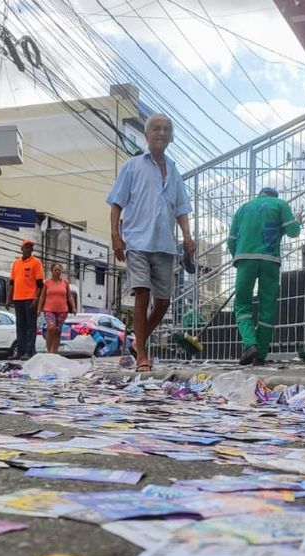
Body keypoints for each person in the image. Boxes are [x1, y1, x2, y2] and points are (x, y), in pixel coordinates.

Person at [107, 113, 196, 372]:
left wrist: (188, 237)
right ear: (146, 135)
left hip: (165, 244)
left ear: (172, 136)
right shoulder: (133, 166)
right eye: (156, 128)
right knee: (142, 294)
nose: (161, 132)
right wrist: (116, 235)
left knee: (164, 302)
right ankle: (142, 354)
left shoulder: (175, 171)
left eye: (167, 129)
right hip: (136, 241)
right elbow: (116, 204)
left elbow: (181, 209)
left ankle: (138, 341)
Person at [227, 187, 300, 366]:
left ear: (259, 194)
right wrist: (297, 221)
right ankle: (260, 354)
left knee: (242, 304)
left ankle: (250, 343)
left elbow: (231, 240)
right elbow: (293, 231)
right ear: (275, 196)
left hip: (245, 259)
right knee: (267, 307)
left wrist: (237, 256)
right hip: (270, 260)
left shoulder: (242, 209)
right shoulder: (280, 204)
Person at [8, 239, 43, 360]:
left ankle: (29, 351)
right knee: (20, 326)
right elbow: (11, 282)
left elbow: (39, 283)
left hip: (30, 298)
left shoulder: (36, 263)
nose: (28, 249)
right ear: (21, 249)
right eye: (26, 247)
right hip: (17, 298)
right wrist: (8, 298)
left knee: (30, 326)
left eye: (30, 247)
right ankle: (20, 351)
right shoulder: (16, 263)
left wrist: (36, 299)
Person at [35, 263, 77, 354]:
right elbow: (42, 297)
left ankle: (54, 352)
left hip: (62, 310)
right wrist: (39, 309)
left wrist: (73, 307)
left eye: (59, 270)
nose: (57, 272)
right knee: (51, 328)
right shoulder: (47, 283)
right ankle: (48, 349)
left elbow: (69, 296)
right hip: (49, 309)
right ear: (52, 271)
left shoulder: (65, 282)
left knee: (57, 331)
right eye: (55, 270)